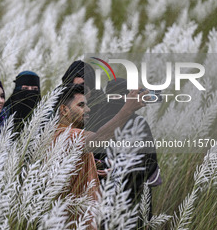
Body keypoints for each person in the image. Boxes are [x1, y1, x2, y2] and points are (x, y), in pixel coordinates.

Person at [54, 84, 147, 229]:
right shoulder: (69, 135)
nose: (88, 109)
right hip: (77, 222)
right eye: (81, 105)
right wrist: (127, 110)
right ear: (64, 110)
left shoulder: (55, 135)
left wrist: (93, 165)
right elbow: (100, 138)